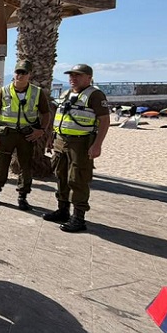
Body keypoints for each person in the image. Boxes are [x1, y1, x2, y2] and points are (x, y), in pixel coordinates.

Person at [43, 64, 110, 233]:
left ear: (89, 78)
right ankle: (63, 210)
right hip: (61, 141)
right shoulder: (67, 93)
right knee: (61, 176)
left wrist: (97, 145)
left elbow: (105, 121)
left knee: (77, 178)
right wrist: (52, 136)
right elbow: (60, 117)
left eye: (78, 75)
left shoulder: (94, 95)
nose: (73, 78)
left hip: (81, 143)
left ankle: (79, 217)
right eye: (71, 76)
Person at [0, 60, 50, 211]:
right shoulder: (3, 91)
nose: (20, 75)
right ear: (14, 74)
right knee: (0, 164)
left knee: (26, 166)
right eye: (18, 72)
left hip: (27, 136)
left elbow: (46, 113)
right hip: (6, 134)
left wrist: (41, 130)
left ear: (29, 75)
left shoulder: (37, 92)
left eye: (24, 73)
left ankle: (23, 196)